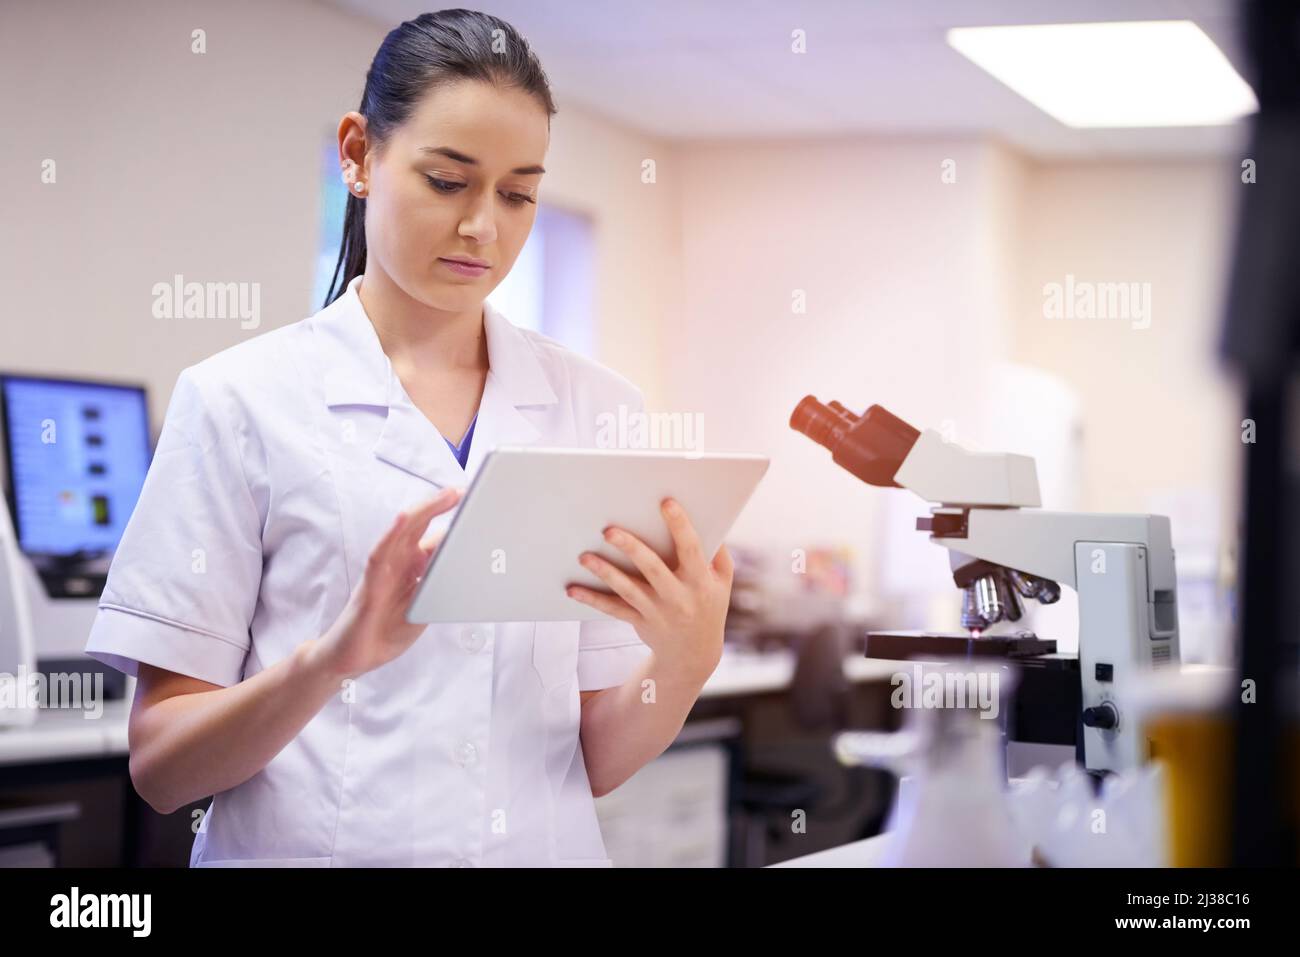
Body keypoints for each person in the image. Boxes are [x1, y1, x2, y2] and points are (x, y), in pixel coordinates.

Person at [85, 8, 733, 867]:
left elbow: (597, 760)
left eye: (517, 193)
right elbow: (163, 769)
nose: (483, 229)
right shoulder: (240, 401)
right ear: (358, 154)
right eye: (447, 181)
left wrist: (686, 659)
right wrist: (331, 660)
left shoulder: (596, 407)